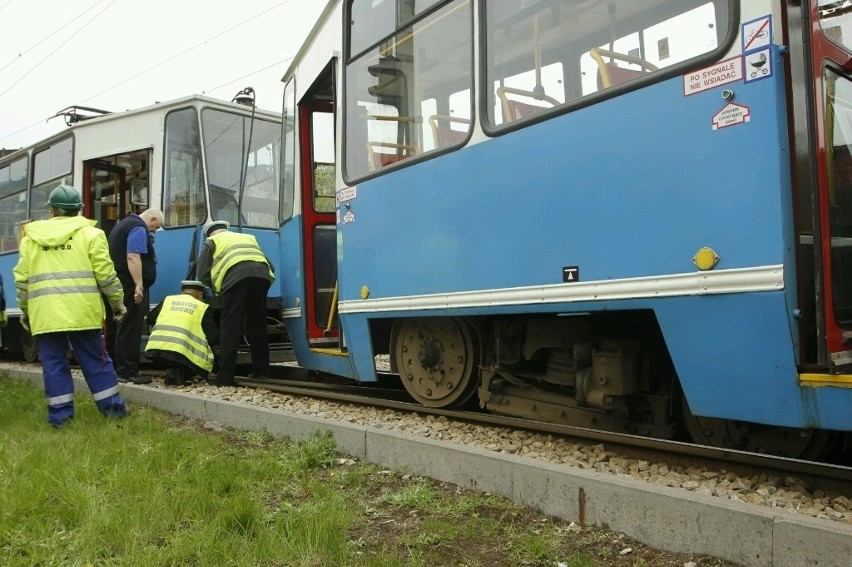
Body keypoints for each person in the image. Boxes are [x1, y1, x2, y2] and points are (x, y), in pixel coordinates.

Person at [12, 184, 129, 428]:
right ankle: (113, 412)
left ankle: (60, 419)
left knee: (53, 365)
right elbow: (106, 275)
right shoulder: (91, 235)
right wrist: (116, 302)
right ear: (79, 210)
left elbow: (22, 280)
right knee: (96, 361)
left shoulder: (30, 239)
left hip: (45, 314)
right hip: (83, 312)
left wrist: (25, 310)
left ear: (52, 210)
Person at [196, 220, 275, 386]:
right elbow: (271, 266)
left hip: (235, 282)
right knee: (258, 326)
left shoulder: (211, 242)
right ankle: (261, 372)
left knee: (230, 327)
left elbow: (202, 273)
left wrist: (217, 288)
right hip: (262, 278)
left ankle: (225, 377)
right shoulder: (248, 238)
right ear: (226, 229)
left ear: (210, 233)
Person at [107, 207, 164, 384]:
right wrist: (139, 285)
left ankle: (114, 369)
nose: (153, 230)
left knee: (116, 327)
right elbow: (132, 256)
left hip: (117, 284)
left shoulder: (122, 224)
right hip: (130, 285)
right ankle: (127, 371)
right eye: (155, 227)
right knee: (130, 326)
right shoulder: (138, 227)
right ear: (152, 219)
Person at [145, 280, 218, 386]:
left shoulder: (168, 300)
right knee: (209, 357)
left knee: (173, 358)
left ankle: (174, 373)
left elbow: (150, 319)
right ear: (200, 294)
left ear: (182, 292)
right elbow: (214, 337)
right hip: (181, 355)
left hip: (155, 351)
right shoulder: (202, 307)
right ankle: (180, 373)